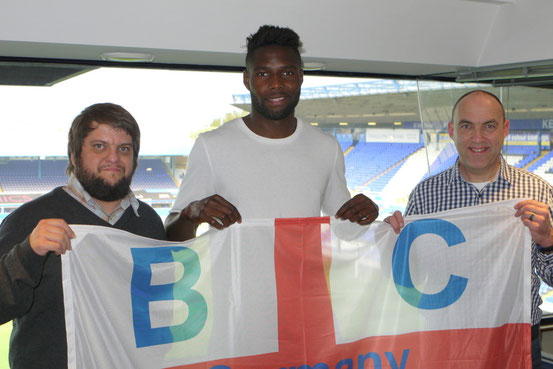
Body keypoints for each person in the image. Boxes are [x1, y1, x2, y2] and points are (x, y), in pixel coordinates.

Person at [386, 90, 553, 369]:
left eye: (489, 125)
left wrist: (548, 240)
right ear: (452, 131)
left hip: (515, 340)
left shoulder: (538, 192)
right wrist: (389, 241)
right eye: (467, 126)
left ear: (505, 129)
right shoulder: (426, 195)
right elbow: (409, 277)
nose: (478, 138)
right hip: (446, 339)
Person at [165, 25, 379, 241]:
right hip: (236, 277)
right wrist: (191, 214)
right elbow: (170, 236)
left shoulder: (326, 147)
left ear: (301, 77)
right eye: (263, 74)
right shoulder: (211, 146)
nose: (276, 84)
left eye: (287, 73)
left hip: (304, 275)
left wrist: (364, 214)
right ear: (247, 80)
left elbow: (345, 231)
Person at [0, 103, 167, 369]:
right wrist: (28, 252)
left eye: (124, 148)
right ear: (74, 156)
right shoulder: (29, 219)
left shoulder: (148, 222)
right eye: (99, 146)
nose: (113, 158)